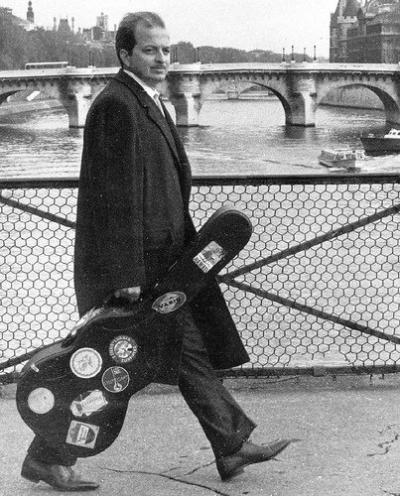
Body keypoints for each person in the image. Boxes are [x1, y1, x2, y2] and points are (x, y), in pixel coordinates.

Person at [20, 12, 294, 491]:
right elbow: (114, 196)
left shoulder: (145, 100)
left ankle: (231, 445)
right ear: (125, 54)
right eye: (150, 50)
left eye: (166, 49)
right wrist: (124, 274)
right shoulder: (116, 105)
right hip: (138, 270)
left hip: (164, 265)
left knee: (172, 355)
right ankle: (47, 456)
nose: (163, 58)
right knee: (115, 365)